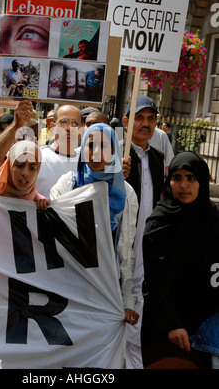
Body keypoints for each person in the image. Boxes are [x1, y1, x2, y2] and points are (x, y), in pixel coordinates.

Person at [50, 123, 139, 324]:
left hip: (106, 288)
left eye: (104, 146)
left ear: (114, 150)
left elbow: (125, 249)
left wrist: (127, 300)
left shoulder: (126, 193)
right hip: (69, 284)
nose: (96, 152)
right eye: (91, 145)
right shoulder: (67, 184)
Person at [141, 151, 219, 369]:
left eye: (191, 178)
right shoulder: (158, 225)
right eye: (177, 178)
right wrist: (172, 324)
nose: (184, 185)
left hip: (208, 329)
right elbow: (154, 284)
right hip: (170, 331)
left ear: (202, 181)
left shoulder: (213, 219)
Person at [121, 95, 165, 369]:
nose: (145, 124)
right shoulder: (115, 157)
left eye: (150, 119)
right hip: (121, 246)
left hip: (148, 247)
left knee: (137, 307)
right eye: (139, 118)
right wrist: (115, 173)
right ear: (126, 122)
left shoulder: (159, 158)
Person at [0, 103, 82, 199]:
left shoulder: (87, 164)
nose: (69, 128)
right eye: (64, 122)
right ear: (52, 126)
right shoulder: (35, 156)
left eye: (75, 123)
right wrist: (15, 126)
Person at [0, 140, 50, 210]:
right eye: (19, 165)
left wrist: (43, 208)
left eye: (32, 168)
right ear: (10, 166)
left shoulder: (40, 203)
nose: (25, 173)